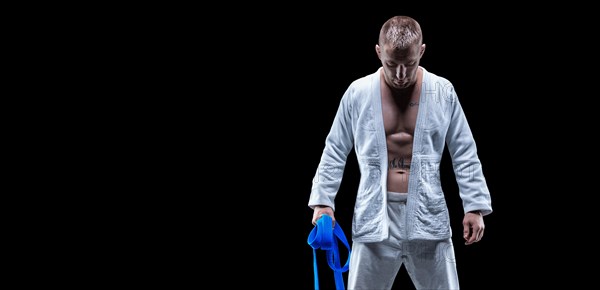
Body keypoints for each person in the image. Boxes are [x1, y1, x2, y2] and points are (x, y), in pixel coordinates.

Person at [308, 15, 493, 289]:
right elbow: (335, 149)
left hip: (428, 215)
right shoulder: (357, 93)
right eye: (392, 64)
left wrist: (474, 206)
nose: (401, 75)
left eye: (410, 64)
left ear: (422, 51)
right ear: (378, 52)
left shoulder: (443, 92)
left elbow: (464, 149)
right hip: (375, 216)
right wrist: (324, 203)